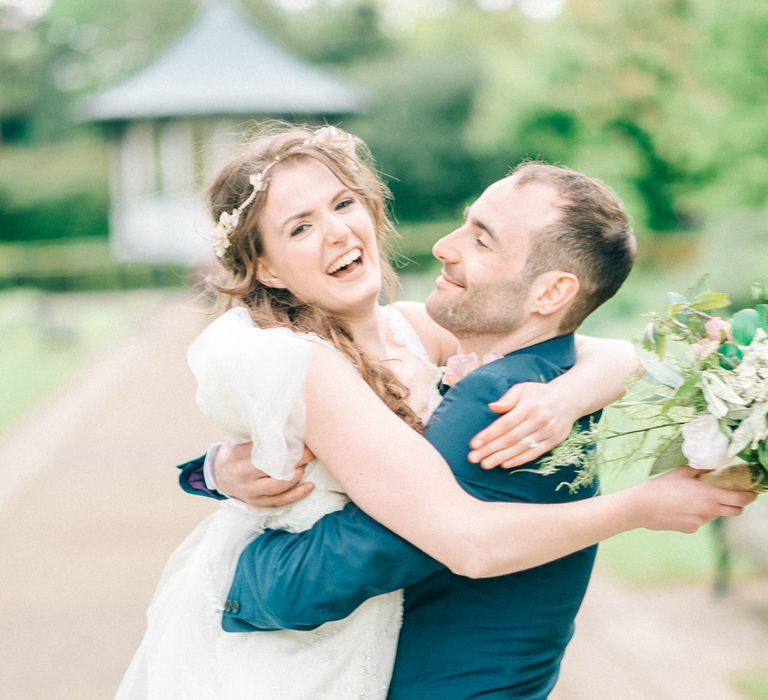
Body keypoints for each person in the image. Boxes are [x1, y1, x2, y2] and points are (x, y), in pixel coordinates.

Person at [120, 124, 753, 699]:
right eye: (300, 227)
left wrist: (565, 397)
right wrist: (639, 507)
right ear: (268, 270)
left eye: (342, 204)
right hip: (296, 649)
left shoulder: (411, 330)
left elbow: (608, 349)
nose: (338, 231)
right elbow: (468, 541)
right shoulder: (306, 363)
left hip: (376, 628)